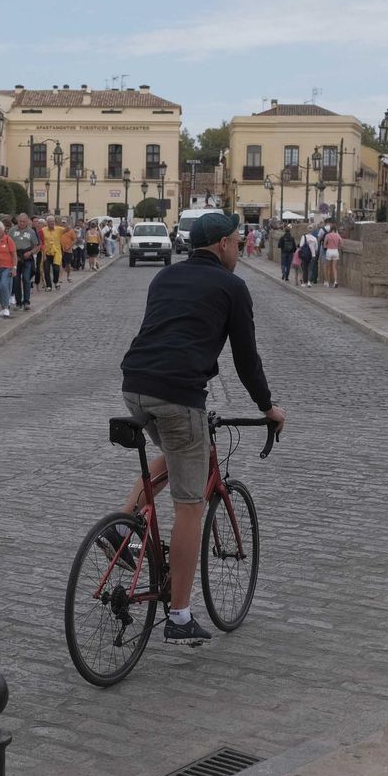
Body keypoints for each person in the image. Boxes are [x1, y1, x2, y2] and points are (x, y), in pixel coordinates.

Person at [115, 213, 286, 645]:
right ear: (222, 244)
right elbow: (247, 361)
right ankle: (178, 615)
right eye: (238, 241)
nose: (242, 246)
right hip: (178, 394)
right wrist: (268, 408)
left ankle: (121, 526)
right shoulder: (232, 287)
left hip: (134, 386)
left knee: (174, 453)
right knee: (190, 505)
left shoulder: (165, 277)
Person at [11, 214, 40, 310]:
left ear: (27, 222)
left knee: (26, 279)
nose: (22, 223)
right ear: (17, 221)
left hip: (27, 258)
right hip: (16, 257)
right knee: (16, 280)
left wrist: (30, 252)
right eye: (20, 221)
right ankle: (18, 302)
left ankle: (26, 301)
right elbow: (8, 243)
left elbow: (37, 246)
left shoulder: (31, 232)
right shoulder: (12, 230)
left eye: (24, 221)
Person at [0, 220, 17, 318]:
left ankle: (6, 307)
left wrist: (14, 267)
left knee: (4, 285)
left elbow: (14, 254)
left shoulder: (8, 240)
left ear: (3, 231)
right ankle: (3, 307)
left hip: (7, 267)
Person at [322, 222, 342, 288]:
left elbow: (324, 245)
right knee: (334, 268)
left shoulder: (328, 235)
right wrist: (337, 247)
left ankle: (327, 282)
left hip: (329, 251)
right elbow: (341, 243)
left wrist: (328, 245)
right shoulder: (338, 235)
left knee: (328, 268)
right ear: (335, 229)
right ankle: (335, 281)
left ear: (330, 229)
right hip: (336, 251)